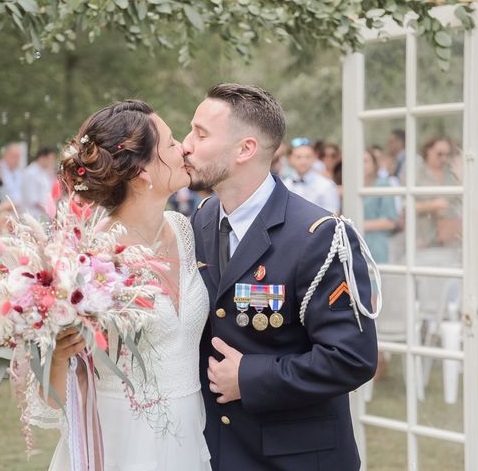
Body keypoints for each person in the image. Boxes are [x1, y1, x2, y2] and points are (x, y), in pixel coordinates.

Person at [184, 83, 377, 471]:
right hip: (219, 450)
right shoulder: (203, 219)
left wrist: (250, 376)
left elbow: (352, 358)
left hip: (295, 458)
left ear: (245, 149)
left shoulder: (319, 235)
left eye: (200, 133)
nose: (185, 144)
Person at [41, 101, 211, 471]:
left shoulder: (183, 231)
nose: (183, 146)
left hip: (189, 433)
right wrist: (56, 353)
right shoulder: (91, 259)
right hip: (121, 441)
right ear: (142, 172)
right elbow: (51, 396)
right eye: (169, 143)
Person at [283, 139, 340, 213]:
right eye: (298, 157)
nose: (303, 161)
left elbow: (333, 214)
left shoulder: (326, 185)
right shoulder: (285, 185)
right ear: (290, 159)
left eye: (308, 157)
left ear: (314, 158)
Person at [363, 148, 398, 264]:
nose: (361, 165)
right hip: (351, 244)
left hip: (375, 246)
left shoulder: (383, 185)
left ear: (374, 164)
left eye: (365, 161)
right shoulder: (347, 187)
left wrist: (356, 225)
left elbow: (390, 222)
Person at [21, 147, 56, 218]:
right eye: (50, 159)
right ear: (42, 158)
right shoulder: (30, 173)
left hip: (44, 215)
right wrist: (50, 210)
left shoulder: (44, 173)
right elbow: (32, 199)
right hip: (33, 215)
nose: (51, 162)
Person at [0, 142, 24, 207]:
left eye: (18, 157)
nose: (17, 160)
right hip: (2, 211)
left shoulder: (19, 172)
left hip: (18, 211)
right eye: (14, 156)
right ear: (5, 155)